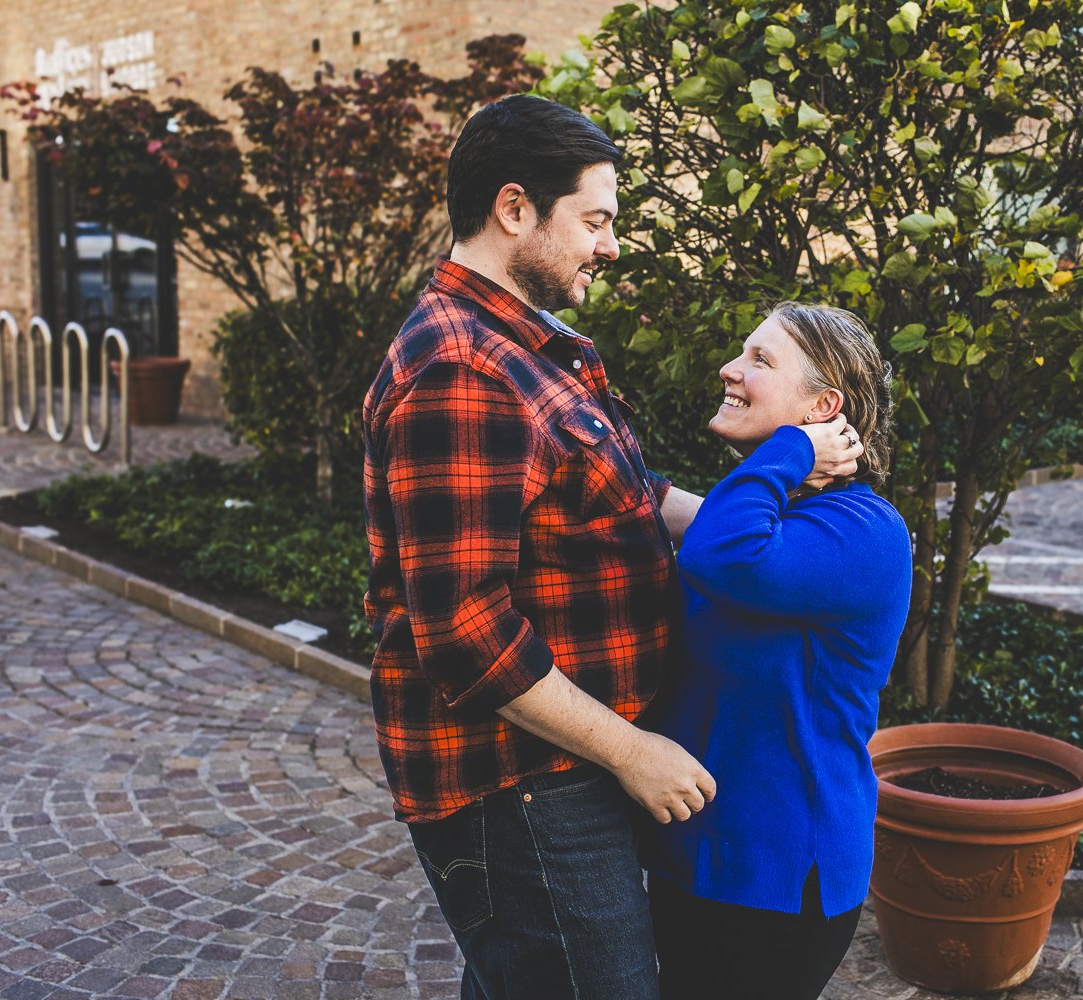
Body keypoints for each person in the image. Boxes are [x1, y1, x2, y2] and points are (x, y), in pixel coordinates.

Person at [361, 96, 862, 1000]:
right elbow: (467, 634)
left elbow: (633, 501)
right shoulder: (463, 373)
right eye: (594, 220)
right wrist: (633, 752)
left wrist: (779, 523)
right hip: (518, 781)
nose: (611, 244)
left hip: (559, 766)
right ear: (516, 210)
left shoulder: (533, 346)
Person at [640, 302, 914, 1000]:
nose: (731, 369)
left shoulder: (864, 532)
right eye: (743, 352)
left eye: (762, 360)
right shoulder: (775, 516)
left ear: (826, 406)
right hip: (698, 854)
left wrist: (795, 447)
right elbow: (700, 529)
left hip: (779, 876)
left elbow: (721, 553)